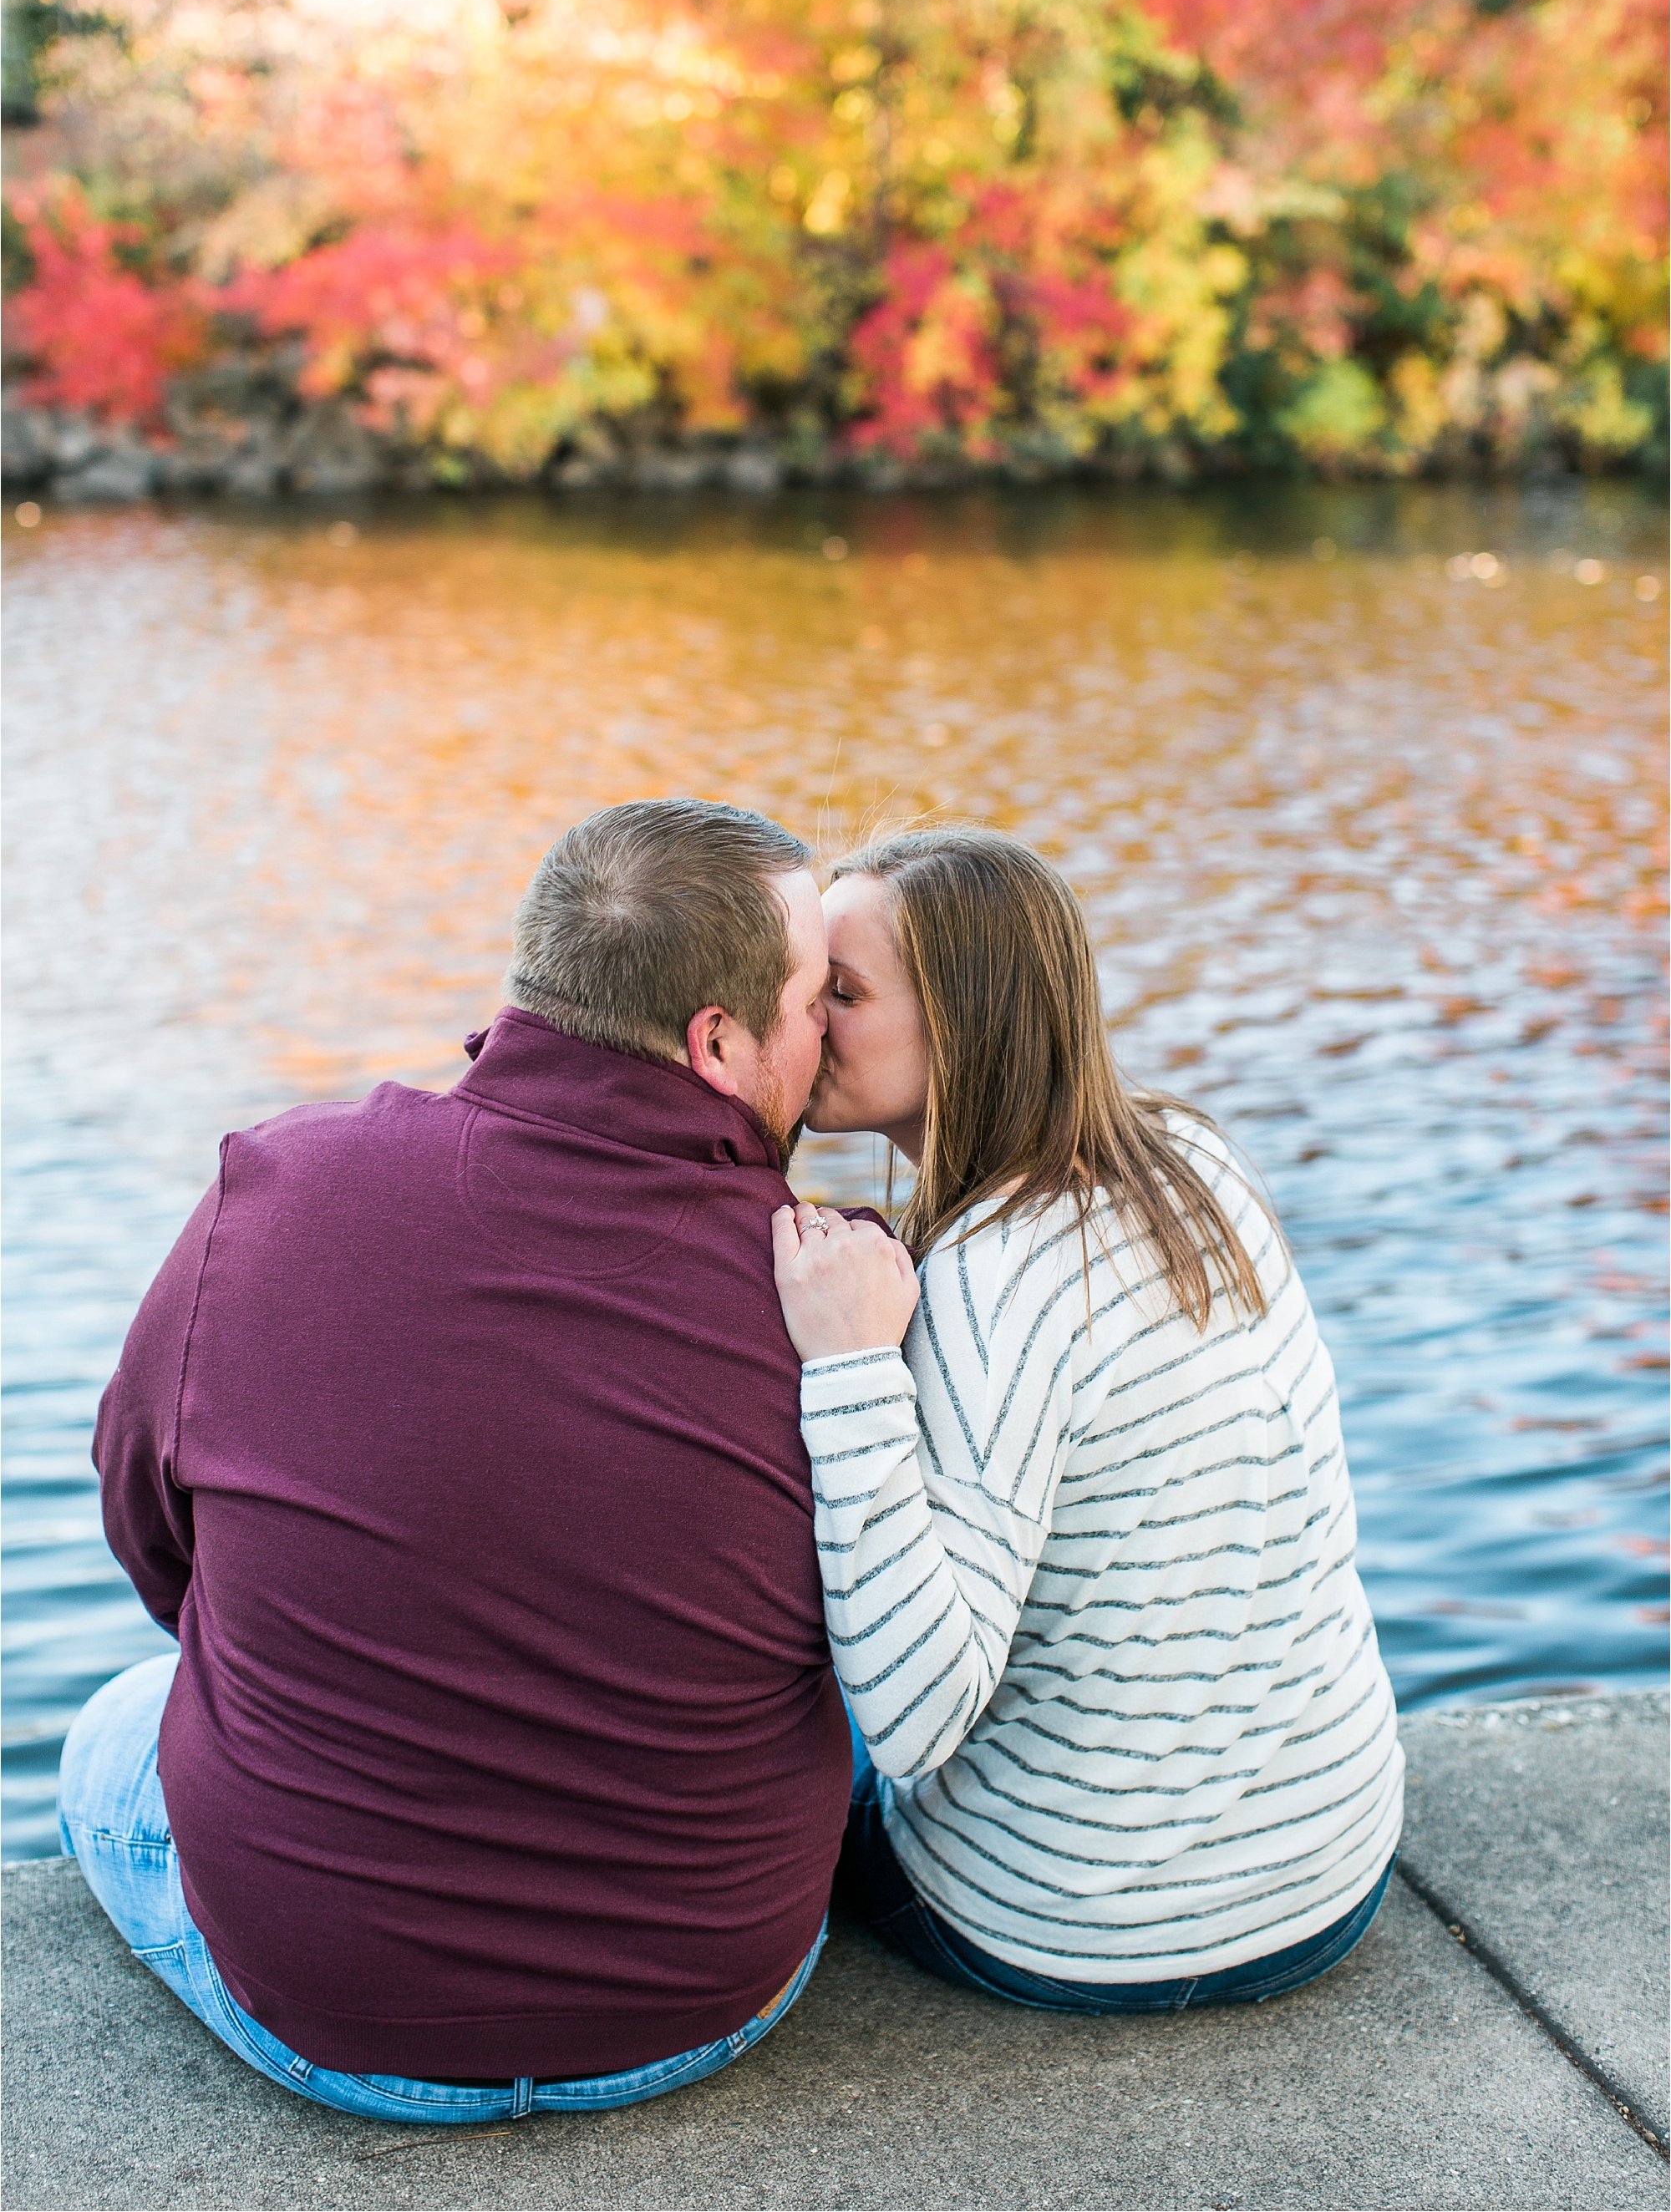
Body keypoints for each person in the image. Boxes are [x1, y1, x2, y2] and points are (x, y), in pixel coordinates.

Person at [64, 799, 851, 2125]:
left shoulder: (279, 1188)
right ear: (718, 1042)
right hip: (706, 1997)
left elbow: (148, 1528)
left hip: (335, 2013)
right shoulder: (833, 1286)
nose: (830, 1037)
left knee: (114, 1719)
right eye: (820, 998)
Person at [771, 827, 1403, 2014]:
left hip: (1076, 1925)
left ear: (962, 1023)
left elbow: (911, 1720)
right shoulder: (1191, 1159)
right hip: (1332, 1871)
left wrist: (850, 1369)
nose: (804, 1023)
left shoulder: (984, 1280)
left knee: (778, 1740)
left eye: (840, 994)